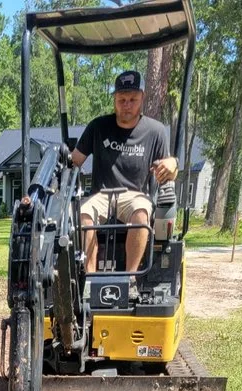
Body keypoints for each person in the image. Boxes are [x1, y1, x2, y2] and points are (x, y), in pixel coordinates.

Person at [71, 70, 179, 290]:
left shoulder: (155, 131)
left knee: (141, 212)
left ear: (142, 97)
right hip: (101, 195)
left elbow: (169, 169)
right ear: (114, 100)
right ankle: (91, 282)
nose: (127, 105)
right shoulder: (98, 127)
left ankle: (129, 279)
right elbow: (74, 161)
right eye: (121, 100)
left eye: (132, 100)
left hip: (135, 195)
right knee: (82, 214)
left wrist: (174, 164)